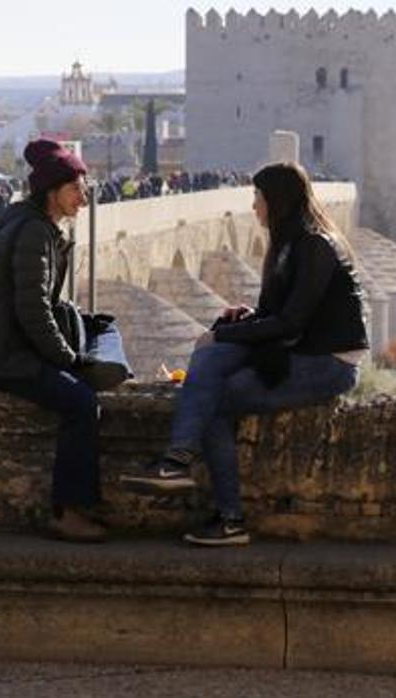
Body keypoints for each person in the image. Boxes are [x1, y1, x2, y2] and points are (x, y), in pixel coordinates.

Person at [120, 162, 368, 547]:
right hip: (296, 350)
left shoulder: (316, 245)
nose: (254, 207)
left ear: (277, 201)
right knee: (210, 357)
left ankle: (228, 515)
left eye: (258, 198)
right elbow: (280, 317)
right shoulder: (289, 245)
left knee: (215, 396)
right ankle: (177, 459)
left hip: (329, 363)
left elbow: (292, 322)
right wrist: (243, 319)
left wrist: (229, 335)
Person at [0, 139, 106, 543]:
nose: (83, 200)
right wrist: (67, 360)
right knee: (81, 403)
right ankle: (68, 512)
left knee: (79, 393)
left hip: (5, 345)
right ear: (52, 191)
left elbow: (40, 303)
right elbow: (33, 310)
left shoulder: (36, 226)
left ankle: (74, 508)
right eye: (76, 190)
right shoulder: (34, 233)